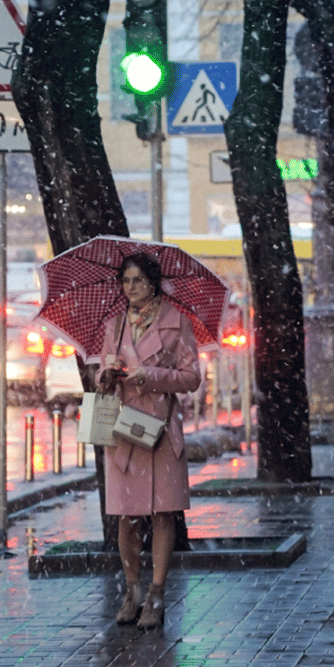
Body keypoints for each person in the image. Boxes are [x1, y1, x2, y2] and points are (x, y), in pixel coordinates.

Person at [98, 252, 200, 629]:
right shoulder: (116, 325)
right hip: (125, 429)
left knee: (161, 514)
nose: (131, 287)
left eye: (138, 280)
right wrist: (106, 376)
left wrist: (151, 375)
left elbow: (191, 378)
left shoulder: (177, 324)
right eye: (126, 281)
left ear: (154, 283)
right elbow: (105, 366)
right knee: (126, 518)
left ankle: (156, 594)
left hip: (159, 428)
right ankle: (132, 590)